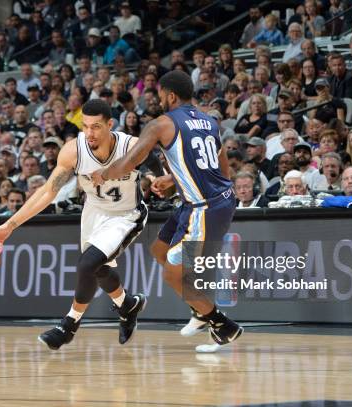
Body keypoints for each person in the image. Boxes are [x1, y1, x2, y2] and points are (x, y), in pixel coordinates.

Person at [90, 70, 243, 353]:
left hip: (204, 210)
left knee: (173, 276)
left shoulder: (161, 124)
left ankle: (222, 325)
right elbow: (220, 170)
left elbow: (127, 163)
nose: (158, 98)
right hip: (203, 202)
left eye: (160, 93)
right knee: (159, 250)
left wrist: (103, 174)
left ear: (170, 95)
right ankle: (201, 308)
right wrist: (174, 180)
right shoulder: (209, 121)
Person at [0, 99, 148, 351]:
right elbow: (48, 191)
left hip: (126, 213)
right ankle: (127, 305)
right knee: (97, 269)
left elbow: (157, 166)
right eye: (85, 126)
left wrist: (160, 180)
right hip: (94, 211)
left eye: (96, 127)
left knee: (87, 263)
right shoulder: (73, 151)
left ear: (110, 125)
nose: (89, 133)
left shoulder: (130, 145)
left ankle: (69, 325)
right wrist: (10, 225)